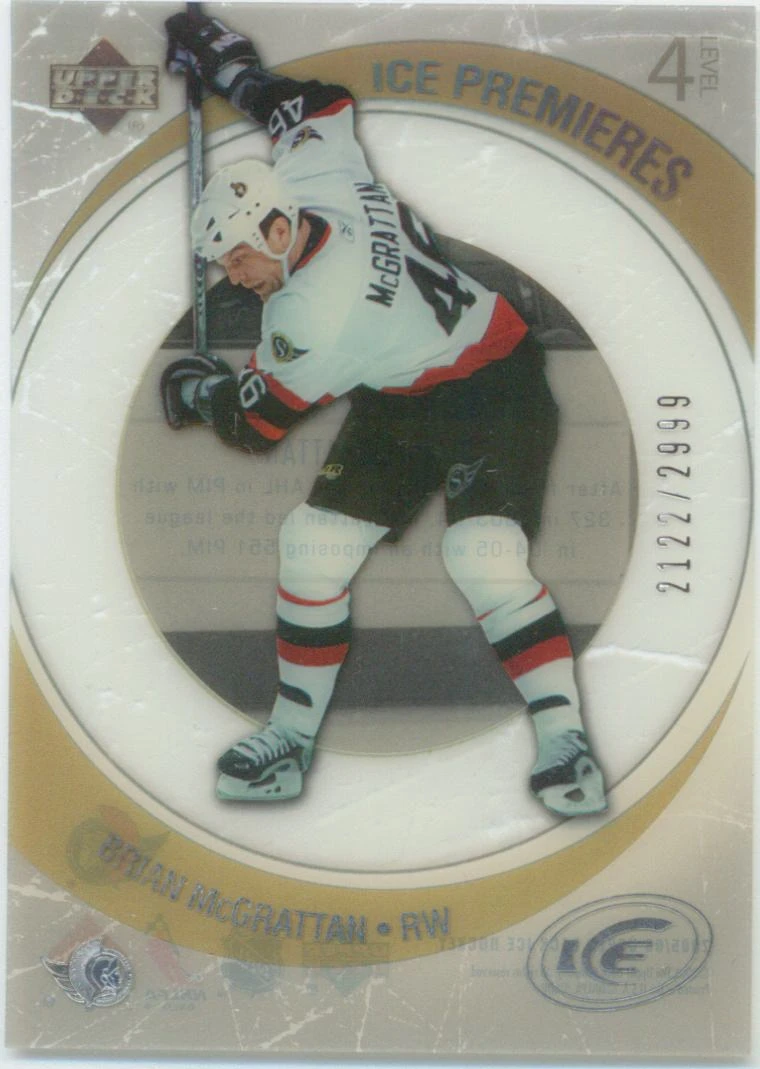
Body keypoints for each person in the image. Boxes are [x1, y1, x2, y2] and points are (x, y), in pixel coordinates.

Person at [162, 11, 607, 816]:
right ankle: (291, 738)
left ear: (277, 228)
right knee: (312, 547)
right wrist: (233, 69)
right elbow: (316, 105)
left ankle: (566, 741)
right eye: (224, 261)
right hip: (404, 390)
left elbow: (255, 428)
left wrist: (198, 394)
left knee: (482, 554)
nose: (234, 276)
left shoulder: (310, 316)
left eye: (239, 257)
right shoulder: (316, 178)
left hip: (493, 386)